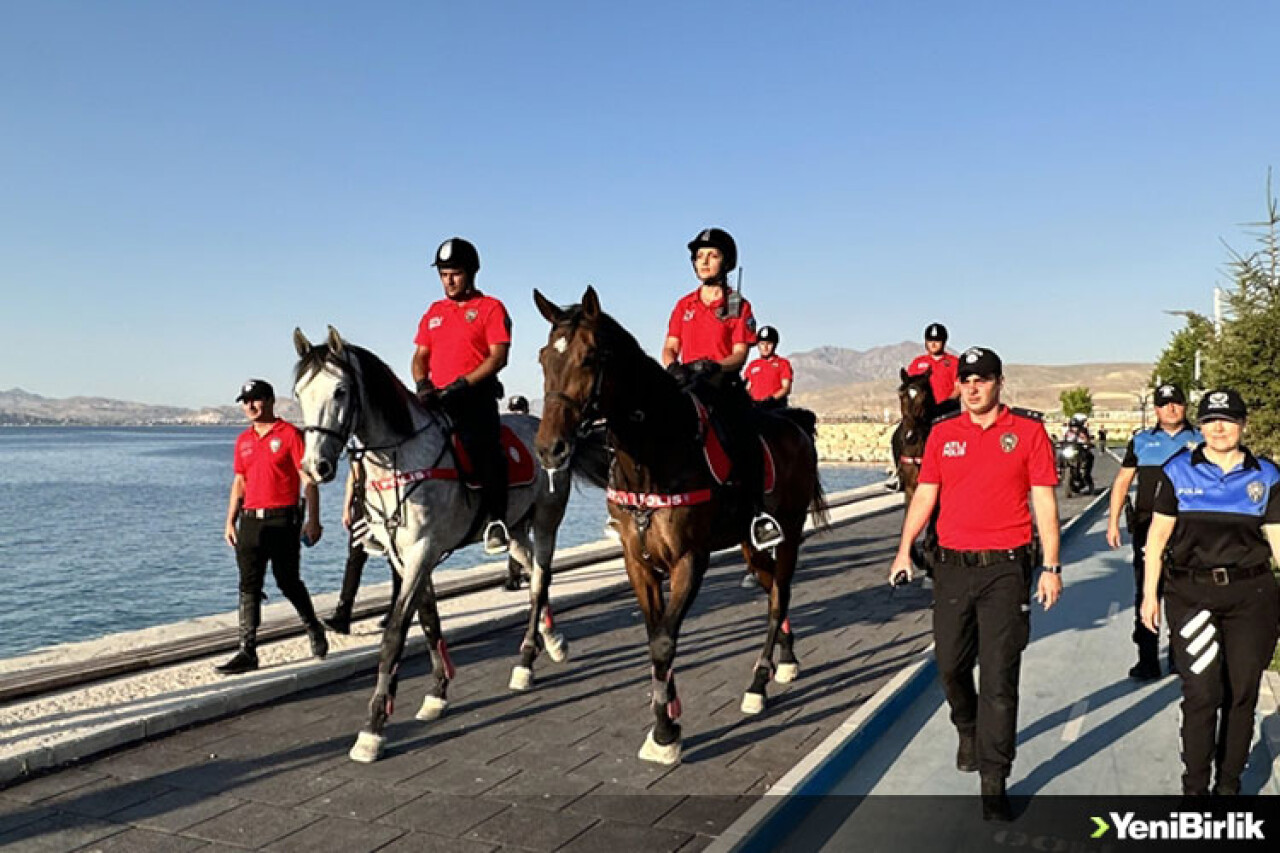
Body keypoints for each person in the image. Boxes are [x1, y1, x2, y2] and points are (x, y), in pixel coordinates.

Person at [888, 347, 1062, 821]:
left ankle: (994, 778)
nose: (973, 387)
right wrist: (904, 549)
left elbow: (1044, 501)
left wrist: (1051, 565)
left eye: (982, 379)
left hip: (1006, 569)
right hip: (951, 568)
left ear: (999, 382)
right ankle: (966, 725)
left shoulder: (1028, 432)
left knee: (1001, 679)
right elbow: (925, 494)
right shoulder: (943, 436)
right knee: (949, 665)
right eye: (966, 379)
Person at [1140, 388, 1280, 797]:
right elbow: (1158, 537)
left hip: (1251, 598)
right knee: (1202, 694)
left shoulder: (1267, 476)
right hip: (1191, 596)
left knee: (1242, 693)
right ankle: (1195, 789)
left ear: (1243, 424)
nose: (1219, 428)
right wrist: (1151, 596)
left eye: (1228, 419)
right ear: (1200, 427)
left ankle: (1228, 786)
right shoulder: (1177, 470)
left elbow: (1277, 540)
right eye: (1210, 420)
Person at [662, 226, 782, 549]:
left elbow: (741, 353)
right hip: (687, 387)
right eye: (699, 256)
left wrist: (715, 366)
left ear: (726, 262)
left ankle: (759, 515)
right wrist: (672, 365)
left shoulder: (738, 305)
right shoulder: (682, 305)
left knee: (747, 437)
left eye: (712, 256)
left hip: (723, 387)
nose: (704, 262)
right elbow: (670, 346)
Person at [218, 379, 327, 675]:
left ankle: (313, 627)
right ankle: (247, 650)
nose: (249, 406)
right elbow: (239, 482)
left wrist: (313, 519)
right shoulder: (243, 440)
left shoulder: (290, 434)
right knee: (248, 584)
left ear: (270, 400)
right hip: (251, 520)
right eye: (245, 401)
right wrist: (230, 520)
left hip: (283, 519)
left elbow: (309, 480)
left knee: (287, 580)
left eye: (255, 400)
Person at [412, 237, 512, 555]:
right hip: (436, 398)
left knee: (485, 449)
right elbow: (420, 356)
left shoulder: (491, 308)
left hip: (474, 397)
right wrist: (421, 383)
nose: (448, 281)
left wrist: (463, 384)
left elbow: (498, 358)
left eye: (454, 273)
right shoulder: (434, 312)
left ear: (470, 273)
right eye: (443, 274)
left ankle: (497, 520)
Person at [1106, 383, 1201, 681]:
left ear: (1185, 406)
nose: (1171, 408)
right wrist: (1113, 521)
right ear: (1157, 409)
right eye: (1164, 404)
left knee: (1185, 593)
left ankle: (1179, 657)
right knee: (1148, 591)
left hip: (1189, 526)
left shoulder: (1200, 439)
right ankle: (1147, 659)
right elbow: (1123, 482)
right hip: (1149, 526)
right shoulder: (1142, 441)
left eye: (1176, 402)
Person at [323, 461, 402, 634]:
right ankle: (343, 612)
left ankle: (397, 611)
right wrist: (347, 507)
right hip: (364, 504)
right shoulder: (358, 444)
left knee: (395, 558)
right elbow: (353, 473)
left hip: (389, 502)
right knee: (355, 559)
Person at [906, 322, 960, 418]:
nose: (933, 344)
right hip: (923, 413)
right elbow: (910, 387)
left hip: (948, 413)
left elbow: (959, 387)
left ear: (944, 342)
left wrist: (946, 405)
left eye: (937, 341)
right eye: (930, 341)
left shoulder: (954, 362)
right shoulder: (917, 363)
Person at [744, 325, 793, 410]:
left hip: (776, 408)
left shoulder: (783, 364)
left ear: (775, 345)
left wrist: (770, 400)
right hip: (756, 409)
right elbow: (747, 388)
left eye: (769, 343)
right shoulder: (752, 365)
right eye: (762, 343)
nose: (765, 347)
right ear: (758, 345)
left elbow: (786, 388)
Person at [1059, 414, 1095, 493]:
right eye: (1072, 426)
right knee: (1061, 454)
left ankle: (1087, 479)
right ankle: (1059, 469)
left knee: (1088, 458)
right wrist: (1060, 443)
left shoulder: (1083, 432)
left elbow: (1088, 440)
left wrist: (1088, 443)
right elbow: (1064, 441)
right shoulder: (1068, 433)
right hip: (1070, 451)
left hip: (1081, 452)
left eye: (1076, 426)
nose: (1074, 428)